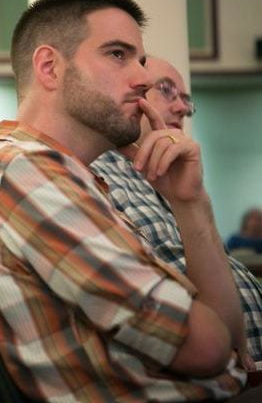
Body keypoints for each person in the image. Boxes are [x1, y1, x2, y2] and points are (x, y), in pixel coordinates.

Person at [0, 0, 259, 401]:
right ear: (49, 67)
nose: (144, 79)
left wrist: (190, 204)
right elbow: (208, 350)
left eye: (141, 61)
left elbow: (229, 344)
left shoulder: (66, 175)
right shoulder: (28, 173)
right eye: (118, 54)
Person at [90, 57, 262, 364]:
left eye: (186, 99)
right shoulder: (99, 172)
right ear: (132, 97)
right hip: (213, 371)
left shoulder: (166, 179)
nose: (182, 108)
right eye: (166, 90)